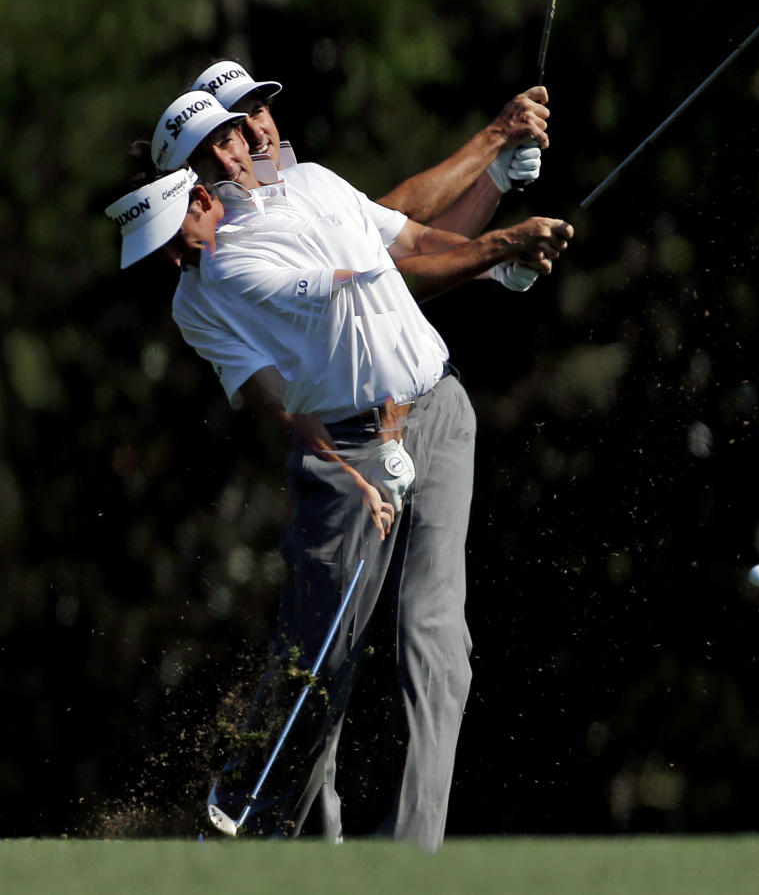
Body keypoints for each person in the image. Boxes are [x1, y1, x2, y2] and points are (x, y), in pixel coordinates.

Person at [110, 96, 573, 849]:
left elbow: (410, 233)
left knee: (438, 640)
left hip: (439, 409)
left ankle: (409, 856)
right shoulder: (223, 269)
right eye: (216, 147)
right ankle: (269, 835)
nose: (241, 146)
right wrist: (496, 243)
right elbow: (378, 277)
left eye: (239, 129)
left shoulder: (312, 183)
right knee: (324, 660)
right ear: (191, 183)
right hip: (353, 445)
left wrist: (492, 184)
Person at [188, 58, 550, 238]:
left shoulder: (305, 178)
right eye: (234, 129)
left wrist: (493, 181)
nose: (255, 132)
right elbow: (403, 223)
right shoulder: (237, 229)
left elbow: (409, 240)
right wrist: (496, 136)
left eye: (258, 111)